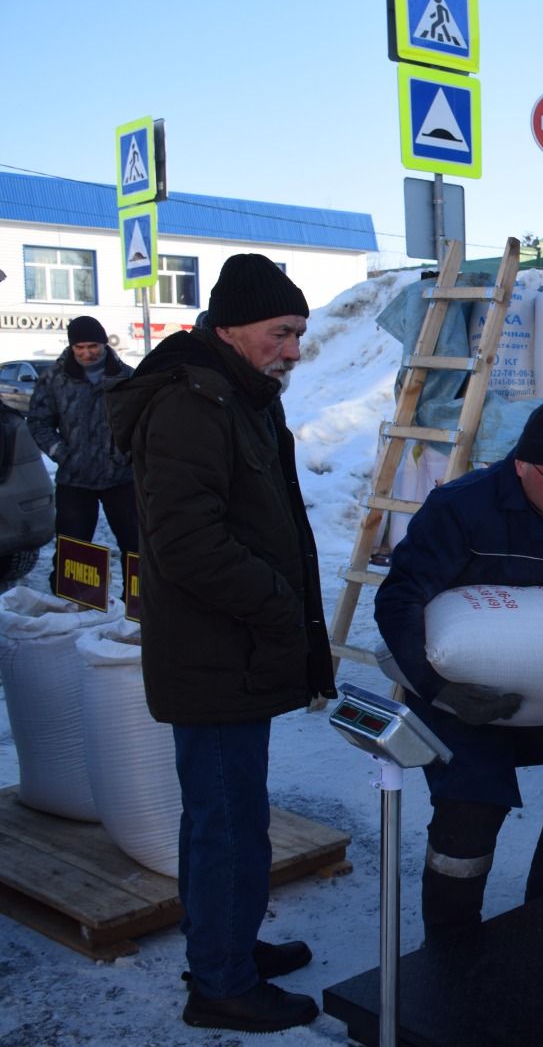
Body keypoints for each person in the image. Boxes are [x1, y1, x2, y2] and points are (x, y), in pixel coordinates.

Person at [106, 254, 331, 1034]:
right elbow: (185, 543)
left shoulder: (240, 393)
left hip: (235, 650)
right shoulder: (192, 405)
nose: (294, 350)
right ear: (230, 327)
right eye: (281, 332)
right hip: (216, 654)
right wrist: (278, 607)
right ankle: (221, 985)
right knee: (224, 822)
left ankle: (226, 948)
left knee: (234, 815)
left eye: (299, 334)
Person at [373, 399, 543, 943]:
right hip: (458, 688)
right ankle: (451, 934)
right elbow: (398, 600)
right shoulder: (460, 508)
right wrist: (439, 689)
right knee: (473, 796)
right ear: (521, 464)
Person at [26, 315, 138, 592]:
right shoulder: (54, 378)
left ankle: (139, 603)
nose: (87, 353)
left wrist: (131, 454)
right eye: (80, 347)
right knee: (73, 545)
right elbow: (39, 421)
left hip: (121, 476)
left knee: (136, 544)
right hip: (75, 477)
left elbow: (143, 423)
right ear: (72, 347)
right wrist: (60, 452)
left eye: (93, 346)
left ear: (104, 343)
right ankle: (74, 599)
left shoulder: (126, 377)